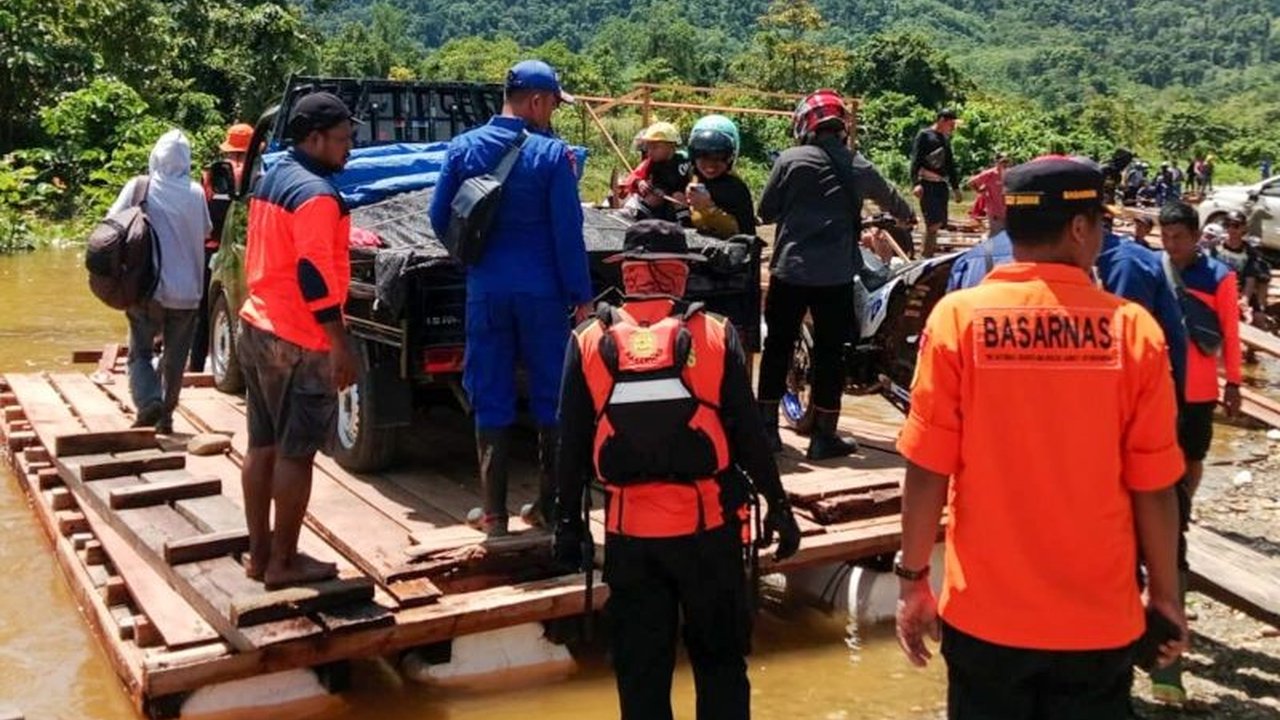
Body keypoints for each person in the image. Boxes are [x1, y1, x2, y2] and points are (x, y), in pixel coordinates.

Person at [896, 155, 1188, 719]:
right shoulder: (1132, 331)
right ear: (1078, 228)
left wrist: (913, 582)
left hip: (986, 619)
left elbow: (928, 467)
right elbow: (1154, 486)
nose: (1101, 236)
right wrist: (1165, 596)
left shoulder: (958, 320)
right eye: (1099, 223)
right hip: (1098, 624)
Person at [553, 219, 802, 720]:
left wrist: (567, 524)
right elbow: (749, 435)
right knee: (721, 666)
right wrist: (779, 506)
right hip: (709, 534)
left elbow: (570, 444)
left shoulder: (587, 339)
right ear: (678, 273)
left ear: (629, 273)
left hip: (630, 539)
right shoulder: (715, 333)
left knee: (641, 676)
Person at [428, 60, 593, 536]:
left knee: (490, 392)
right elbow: (568, 233)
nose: (552, 113)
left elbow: (440, 218)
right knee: (551, 395)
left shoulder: (463, 148)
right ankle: (550, 509)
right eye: (553, 104)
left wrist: (475, 261)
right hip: (543, 295)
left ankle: (493, 515)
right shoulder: (553, 156)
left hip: (486, 291)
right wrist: (581, 297)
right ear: (537, 101)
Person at [238, 92, 359, 587]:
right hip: (300, 338)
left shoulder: (272, 179)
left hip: (257, 324)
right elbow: (313, 273)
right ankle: (284, 563)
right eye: (343, 139)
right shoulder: (317, 196)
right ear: (314, 139)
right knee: (296, 453)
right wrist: (339, 342)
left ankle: (259, 555)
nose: (349, 148)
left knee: (261, 445)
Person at [757, 89, 915, 460]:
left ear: (804, 125)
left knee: (777, 346)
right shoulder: (858, 164)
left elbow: (766, 211)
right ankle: (824, 437)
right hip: (835, 276)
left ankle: (766, 431)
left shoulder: (789, 160)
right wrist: (907, 217)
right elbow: (897, 203)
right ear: (841, 127)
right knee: (832, 353)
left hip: (790, 270)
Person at [1153, 201, 1243, 703]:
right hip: (1163, 385)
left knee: (1192, 455)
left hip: (1201, 385)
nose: (1171, 245)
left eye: (1178, 237)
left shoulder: (1219, 276)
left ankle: (1181, 507)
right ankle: (1174, 509)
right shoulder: (1155, 270)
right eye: (1165, 237)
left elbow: (1229, 328)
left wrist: (1234, 381)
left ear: (1194, 236)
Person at [946, 213, 1188, 399]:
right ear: (1079, 227)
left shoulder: (964, 283)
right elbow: (1175, 349)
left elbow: (939, 408)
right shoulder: (1133, 312)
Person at [108, 129, 212, 436]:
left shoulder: (140, 186)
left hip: (147, 289)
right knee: (175, 360)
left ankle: (149, 401)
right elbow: (207, 231)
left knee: (140, 353)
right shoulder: (196, 192)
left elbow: (112, 223)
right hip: (188, 294)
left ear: (155, 157)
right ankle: (165, 418)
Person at [191, 122, 254, 372]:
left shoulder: (210, 176)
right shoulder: (258, 175)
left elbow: (201, 213)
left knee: (203, 310)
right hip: (245, 249)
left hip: (211, 247)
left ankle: (196, 365)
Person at [685, 115, 755, 239]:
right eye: (702, 156)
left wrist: (708, 208)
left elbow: (744, 235)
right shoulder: (687, 177)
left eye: (719, 158)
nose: (710, 165)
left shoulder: (735, 189)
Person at [910, 109, 962, 257]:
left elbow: (950, 165)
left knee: (939, 223)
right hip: (927, 183)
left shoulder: (945, 138)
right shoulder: (924, 135)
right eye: (951, 124)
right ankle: (926, 255)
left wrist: (956, 188)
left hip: (941, 184)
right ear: (942, 120)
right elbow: (915, 160)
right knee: (932, 223)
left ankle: (928, 253)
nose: (953, 127)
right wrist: (915, 183)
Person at [618, 121, 692, 224]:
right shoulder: (651, 163)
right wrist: (639, 182)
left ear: (671, 146)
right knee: (653, 197)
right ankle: (638, 216)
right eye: (648, 147)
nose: (649, 152)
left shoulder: (685, 161)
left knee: (678, 195)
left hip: (682, 204)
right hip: (659, 206)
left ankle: (685, 223)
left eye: (655, 147)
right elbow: (633, 177)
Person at [1212, 209, 1273, 326]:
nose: (1231, 229)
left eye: (1235, 225)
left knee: (1258, 318)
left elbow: (1250, 280)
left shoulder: (1250, 252)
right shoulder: (1215, 246)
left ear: (1243, 228)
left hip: (1239, 290)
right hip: (1217, 288)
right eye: (1227, 225)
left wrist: (1244, 301)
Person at [967, 153, 1008, 237]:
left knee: (1006, 235)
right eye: (1002, 162)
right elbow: (971, 182)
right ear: (996, 162)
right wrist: (979, 191)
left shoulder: (1010, 173)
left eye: (1006, 161)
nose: (1005, 164)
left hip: (1007, 211)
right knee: (995, 234)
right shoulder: (990, 174)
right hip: (994, 210)